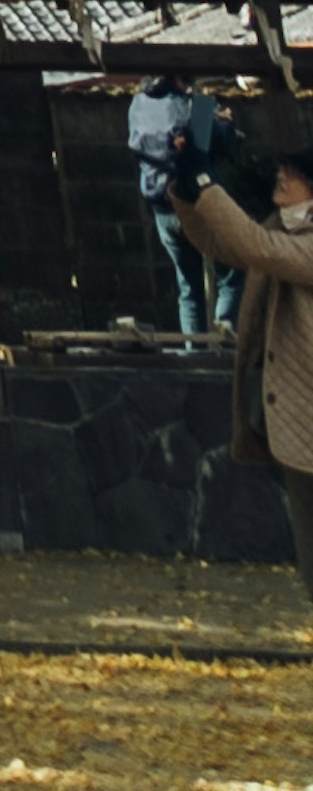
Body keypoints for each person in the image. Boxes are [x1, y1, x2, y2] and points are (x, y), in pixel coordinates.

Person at [178, 112, 313, 600]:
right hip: (299, 424)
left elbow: (257, 248)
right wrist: (186, 188)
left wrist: (204, 181)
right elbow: (222, 242)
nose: (283, 176)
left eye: (296, 173)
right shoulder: (284, 227)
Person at [131, 62, 230, 336]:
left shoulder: (137, 105)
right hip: (194, 202)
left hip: (161, 205)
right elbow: (217, 146)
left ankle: (194, 355)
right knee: (231, 274)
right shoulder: (191, 105)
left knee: (189, 285)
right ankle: (225, 343)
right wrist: (222, 120)